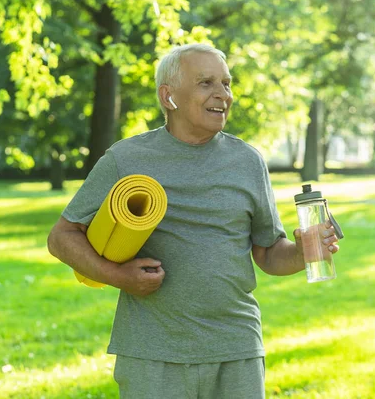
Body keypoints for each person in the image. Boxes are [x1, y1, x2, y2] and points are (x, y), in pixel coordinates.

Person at [47, 43, 340, 399]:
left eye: (227, 83)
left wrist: (303, 251)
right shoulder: (125, 158)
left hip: (236, 350)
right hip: (152, 353)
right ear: (168, 96)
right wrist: (118, 277)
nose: (223, 95)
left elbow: (268, 251)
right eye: (206, 83)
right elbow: (62, 236)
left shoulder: (248, 162)